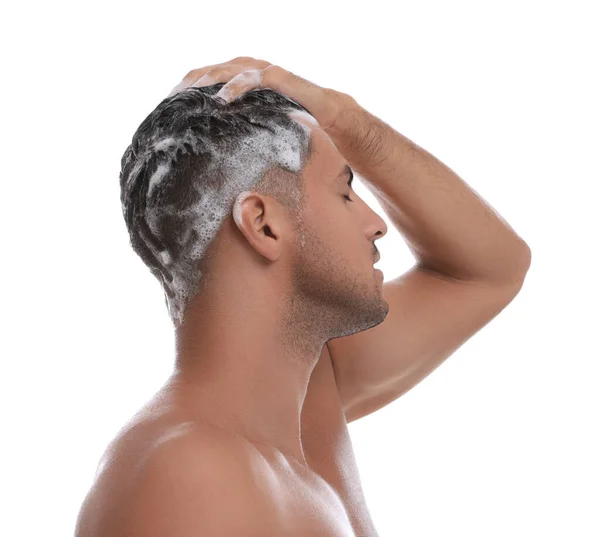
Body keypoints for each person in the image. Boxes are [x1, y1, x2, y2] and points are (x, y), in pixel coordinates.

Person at [74, 57, 531, 537]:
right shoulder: (186, 475)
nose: (376, 223)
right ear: (264, 224)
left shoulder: (310, 394)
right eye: (345, 193)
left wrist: (345, 120)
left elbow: (491, 268)